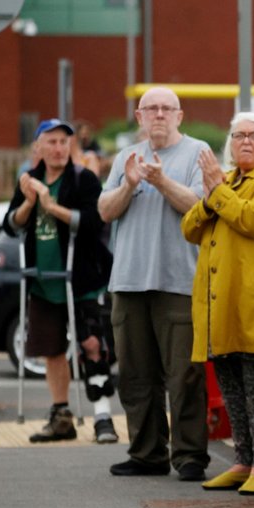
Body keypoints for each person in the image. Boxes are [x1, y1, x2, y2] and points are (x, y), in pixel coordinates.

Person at [182, 112, 254, 495]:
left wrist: (216, 192)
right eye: (238, 136)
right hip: (223, 303)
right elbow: (190, 228)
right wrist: (214, 194)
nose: (246, 142)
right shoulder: (228, 180)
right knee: (231, 386)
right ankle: (243, 460)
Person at [98, 87, 211, 481]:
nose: (159, 114)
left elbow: (200, 207)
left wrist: (161, 182)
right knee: (134, 374)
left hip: (179, 282)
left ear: (180, 115)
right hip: (128, 282)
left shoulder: (198, 153)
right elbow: (104, 210)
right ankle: (146, 453)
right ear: (139, 116)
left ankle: (190, 455)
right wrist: (128, 184)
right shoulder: (125, 157)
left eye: (167, 108)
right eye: (152, 109)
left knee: (184, 375)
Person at [4, 119, 118, 445]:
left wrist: (53, 207)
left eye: (64, 142)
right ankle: (61, 415)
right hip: (44, 279)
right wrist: (29, 201)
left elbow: (96, 222)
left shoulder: (83, 180)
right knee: (52, 350)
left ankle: (103, 416)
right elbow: (12, 225)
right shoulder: (30, 181)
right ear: (37, 148)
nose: (58, 148)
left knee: (92, 344)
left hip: (82, 278)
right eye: (51, 142)